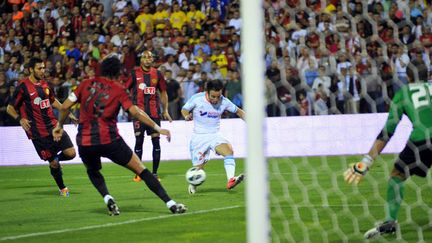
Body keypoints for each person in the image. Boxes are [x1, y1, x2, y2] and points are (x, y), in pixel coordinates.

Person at [52, 56, 187, 216]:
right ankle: (171, 204)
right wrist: (158, 127)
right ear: (117, 72)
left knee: (93, 171)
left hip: (85, 141)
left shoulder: (84, 84)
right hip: (110, 140)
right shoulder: (118, 89)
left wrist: (60, 125)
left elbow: (65, 106)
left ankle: (108, 197)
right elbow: (136, 112)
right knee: (142, 171)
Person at [343, 61, 432, 239]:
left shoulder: (403, 93)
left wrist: (366, 162)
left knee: (397, 175)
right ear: (427, 75)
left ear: (407, 77)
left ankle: (390, 221)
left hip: (422, 140)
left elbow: (387, 132)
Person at [6, 57, 77, 197]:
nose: (42, 70)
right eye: (39, 68)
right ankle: (62, 188)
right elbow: (10, 108)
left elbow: (52, 100)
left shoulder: (45, 84)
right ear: (31, 69)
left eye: (44, 67)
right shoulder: (23, 87)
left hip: (54, 126)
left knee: (71, 153)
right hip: (38, 133)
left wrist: (66, 112)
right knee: (54, 164)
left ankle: (56, 159)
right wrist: (20, 119)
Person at [181, 79, 246, 194]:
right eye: (213, 96)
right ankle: (193, 184)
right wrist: (186, 116)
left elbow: (239, 112)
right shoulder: (197, 98)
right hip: (199, 138)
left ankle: (231, 180)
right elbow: (184, 109)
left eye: (218, 96)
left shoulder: (224, 101)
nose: (216, 100)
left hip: (215, 135)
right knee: (198, 171)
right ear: (207, 92)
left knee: (229, 151)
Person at [125, 50, 172, 182]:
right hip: (138, 114)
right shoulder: (134, 74)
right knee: (139, 141)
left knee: (156, 142)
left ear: (153, 60)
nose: (147, 59)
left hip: (154, 113)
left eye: (150, 57)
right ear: (141, 60)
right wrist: (128, 106)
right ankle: (138, 173)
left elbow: (163, 92)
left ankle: (155, 173)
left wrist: (165, 110)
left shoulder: (157, 74)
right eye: (145, 57)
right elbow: (124, 90)